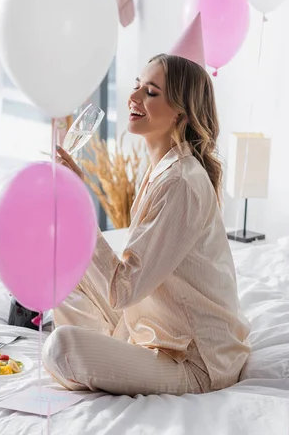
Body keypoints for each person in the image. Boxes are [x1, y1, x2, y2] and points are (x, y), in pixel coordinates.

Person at [42, 54, 250, 397]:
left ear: (180, 114)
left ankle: (103, 358)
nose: (133, 97)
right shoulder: (160, 169)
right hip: (153, 329)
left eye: (150, 92)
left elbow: (124, 289)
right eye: (137, 86)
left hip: (195, 360)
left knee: (62, 347)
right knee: (62, 267)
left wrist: (79, 206)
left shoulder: (181, 182)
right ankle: (110, 355)